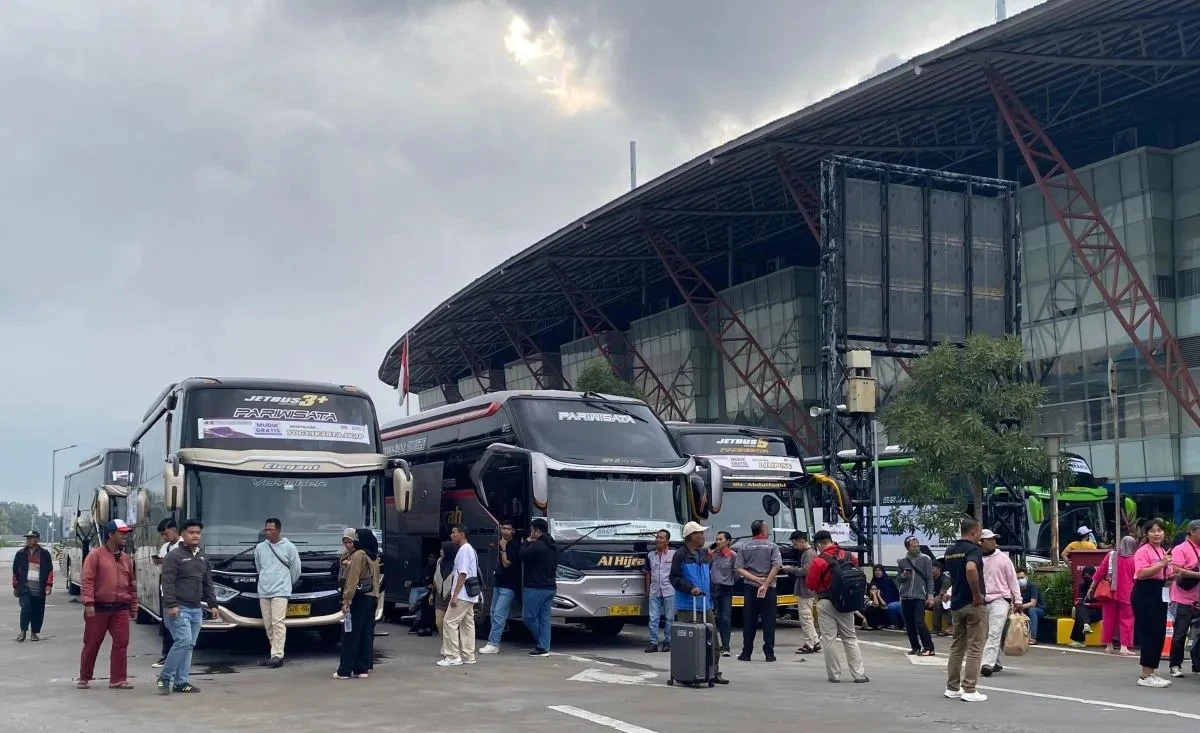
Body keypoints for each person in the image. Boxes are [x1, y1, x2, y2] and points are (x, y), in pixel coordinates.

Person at [158, 518, 219, 695]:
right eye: (191, 532)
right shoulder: (174, 556)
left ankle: (181, 682)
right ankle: (165, 677)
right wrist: (171, 605)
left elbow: (207, 582)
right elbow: (167, 582)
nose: (195, 535)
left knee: (189, 645)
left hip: (196, 609)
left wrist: (213, 604)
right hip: (179, 608)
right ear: (182, 534)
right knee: (183, 641)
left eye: (198, 533)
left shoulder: (202, 557)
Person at [78, 520, 136, 690]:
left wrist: (133, 606)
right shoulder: (95, 555)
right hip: (98, 608)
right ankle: (84, 677)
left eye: (126, 533)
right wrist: (88, 603)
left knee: (121, 643)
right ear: (111, 534)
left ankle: (118, 679)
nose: (125, 536)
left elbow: (131, 584)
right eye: (122, 533)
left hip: (120, 609)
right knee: (92, 643)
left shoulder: (126, 559)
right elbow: (87, 580)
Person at [669, 521, 728, 684]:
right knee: (690, 642)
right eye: (700, 534)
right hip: (688, 605)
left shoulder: (703, 554)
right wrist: (690, 588)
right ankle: (687, 672)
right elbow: (674, 578)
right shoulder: (680, 555)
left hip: (705, 603)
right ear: (691, 537)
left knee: (713, 640)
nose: (703, 537)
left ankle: (713, 671)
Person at [806, 529, 868, 684]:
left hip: (826, 601)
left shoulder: (819, 561)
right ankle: (859, 674)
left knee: (829, 639)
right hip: (847, 603)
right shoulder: (849, 556)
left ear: (819, 544)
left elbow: (811, 584)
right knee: (850, 637)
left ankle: (834, 675)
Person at [944, 518, 988, 703]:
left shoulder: (950, 551)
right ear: (974, 531)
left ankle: (952, 687)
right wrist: (977, 594)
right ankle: (970, 689)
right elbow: (971, 568)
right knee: (975, 647)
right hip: (972, 604)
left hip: (956, 604)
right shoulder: (973, 550)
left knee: (957, 647)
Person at [253, 517, 301, 668]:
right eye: (266, 529)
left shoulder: (289, 547)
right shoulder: (260, 548)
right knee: (268, 624)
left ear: (278, 530)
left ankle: (277, 655)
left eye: (271, 530)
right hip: (264, 590)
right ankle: (274, 652)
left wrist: (286, 583)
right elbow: (259, 567)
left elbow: (296, 569)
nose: (268, 532)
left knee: (278, 622)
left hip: (281, 590)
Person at [1131, 518, 1174, 688]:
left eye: (1159, 530)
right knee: (1149, 633)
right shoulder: (1143, 551)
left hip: (1159, 592)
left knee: (1158, 632)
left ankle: (1152, 672)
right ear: (1146, 534)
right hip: (1145, 592)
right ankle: (1145, 675)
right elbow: (1140, 573)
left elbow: (1167, 574)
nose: (1157, 534)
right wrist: (1161, 564)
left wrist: (1173, 574)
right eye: (1152, 531)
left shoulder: (1162, 550)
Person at [335, 528, 381, 679]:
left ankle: (345, 670)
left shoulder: (358, 555)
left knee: (350, 634)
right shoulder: (373, 556)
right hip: (372, 598)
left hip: (359, 598)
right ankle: (362, 668)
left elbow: (353, 579)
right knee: (366, 634)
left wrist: (347, 600)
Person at [734, 519, 782, 662]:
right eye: (766, 528)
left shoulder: (744, 546)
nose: (768, 531)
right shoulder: (772, 546)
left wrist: (755, 579)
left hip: (750, 587)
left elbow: (739, 568)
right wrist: (765, 583)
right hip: (769, 587)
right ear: (762, 531)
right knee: (769, 621)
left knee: (749, 620)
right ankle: (769, 653)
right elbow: (776, 566)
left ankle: (746, 652)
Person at [438, 524, 481, 667]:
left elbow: (462, 573)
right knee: (467, 624)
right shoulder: (471, 550)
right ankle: (468, 655)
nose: (451, 535)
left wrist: (455, 595)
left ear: (462, 534)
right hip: (470, 594)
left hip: (462, 594)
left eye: (454, 532)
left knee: (449, 622)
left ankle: (452, 656)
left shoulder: (463, 550)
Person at [979, 529, 1021, 676]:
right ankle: (995, 662)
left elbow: (1013, 580)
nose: (993, 542)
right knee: (985, 634)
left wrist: (1018, 599)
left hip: (1001, 600)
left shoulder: (1003, 558)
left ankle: (987, 664)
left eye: (994, 539)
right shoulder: (976, 559)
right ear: (981, 542)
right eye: (990, 539)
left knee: (994, 632)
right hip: (982, 600)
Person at [1086, 534, 1136, 655]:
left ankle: (1109, 645)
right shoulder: (1134, 559)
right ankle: (1124, 646)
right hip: (1127, 594)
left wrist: (1092, 588)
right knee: (1127, 620)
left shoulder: (1111, 555)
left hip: (1109, 593)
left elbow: (1100, 572)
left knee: (1108, 619)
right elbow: (1137, 577)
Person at [480, 520, 521, 654]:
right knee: (492, 612)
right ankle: (494, 639)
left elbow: (507, 563)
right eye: (504, 528)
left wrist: (503, 548)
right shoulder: (499, 542)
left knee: (499, 614)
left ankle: (493, 643)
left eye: (508, 529)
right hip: (498, 583)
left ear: (513, 531)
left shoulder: (514, 545)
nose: (505, 531)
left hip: (509, 585)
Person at [1167, 519, 1200, 677]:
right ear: (1192, 531)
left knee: (1197, 633)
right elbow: (1176, 569)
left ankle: (1197, 665)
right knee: (1180, 633)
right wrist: (1197, 574)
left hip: (1198, 598)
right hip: (1183, 598)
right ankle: (1175, 665)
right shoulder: (1181, 549)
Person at [521, 518, 558, 657]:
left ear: (537, 531)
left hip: (535, 586)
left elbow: (522, 555)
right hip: (550, 587)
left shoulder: (537, 545)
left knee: (529, 617)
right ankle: (545, 646)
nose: (531, 533)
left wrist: (526, 542)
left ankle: (542, 643)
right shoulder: (553, 545)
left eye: (532, 531)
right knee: (544, 618)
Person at [782, 530, 820, 655]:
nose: (794, 547)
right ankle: (815, 641)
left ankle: (809, 644)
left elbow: (806, 571)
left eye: (795, 544)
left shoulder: (808, 554)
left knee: (805, 617)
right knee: (807, 616)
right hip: (807, 589)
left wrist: (790, 569)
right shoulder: (811, 552)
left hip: (805, 590)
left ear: (801, 541)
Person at [12, 529, 53, 642]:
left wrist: (49, 585)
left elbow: (50, 571)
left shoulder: (44, 554)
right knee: (25, 608)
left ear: (37, 539)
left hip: (39, 588)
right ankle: (23, 631)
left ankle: (34, 633)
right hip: (25, 587)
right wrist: (15, 586)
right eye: (27, 538)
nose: (28, 540)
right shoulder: (21, 553)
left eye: (31, 538)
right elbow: (15, 571)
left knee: (38, 611)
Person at [897, 536, 936, 656]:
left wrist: (930, 596)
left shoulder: (926, 559)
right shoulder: (902, 561)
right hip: (905, 596)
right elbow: (898, 579)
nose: (916, 548)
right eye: (913, 546)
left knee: (919, 621)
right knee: (909, 623)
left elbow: (929, 579)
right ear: (907, 547)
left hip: (919, 595)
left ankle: (929, 647)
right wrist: (904, 575)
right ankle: (915, 647)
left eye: (917, 545)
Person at [152, 519, 182, 667]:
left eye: (166, 534)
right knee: (166, 626)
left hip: (180, 593)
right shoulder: (165, 547)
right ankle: (166, 655)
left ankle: (177, 657)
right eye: (162, 535)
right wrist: (159, 563)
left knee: (179, 627)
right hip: (166, 591)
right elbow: (160, 571)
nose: (164, 537)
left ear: (175, 530)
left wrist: (168, 564)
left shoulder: (184, 546)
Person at [644, 529, 676, 653]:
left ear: (667, 541)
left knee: (669, 618)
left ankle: (668, 641)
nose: (658, 539)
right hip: (654, 591)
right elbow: (647, 573)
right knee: (653, 618)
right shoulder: (650, 555)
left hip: (669, 590)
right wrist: (647, 589)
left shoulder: (673, 554)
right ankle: (653, 642)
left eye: (661, 537)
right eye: (657, 537)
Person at [709, 531, 737, 657]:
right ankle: (713, 645)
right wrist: (709, 554)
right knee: (713, 617)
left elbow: (737, 573)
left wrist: (729, 581)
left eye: (720, 539)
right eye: (716, 539)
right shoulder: (713, 555)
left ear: (728, 541)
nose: (718, 542)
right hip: (713, 588)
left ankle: (726, 646)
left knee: (725, 618)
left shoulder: (732, 556)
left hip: (726, 589)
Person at [1069, 566, 1099, 647]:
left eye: (1089, 576)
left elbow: (1102, 604)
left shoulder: (1098, 586)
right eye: (1085, 576)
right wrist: (1081, 602)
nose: (1087, 579)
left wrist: (1089, 604)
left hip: (1097, 611)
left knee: (1080, 614)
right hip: (1085, 609)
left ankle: (1079, 641)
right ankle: (1086, 625)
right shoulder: (1082, 586)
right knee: (1080, 607)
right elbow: (1078, 599)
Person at [863, 565, 901, 629]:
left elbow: (894, 594)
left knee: (889, 606)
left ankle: (893, 623)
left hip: (890, 601)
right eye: (876, 570)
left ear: (882, 571)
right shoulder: (873, 582)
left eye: (879, 570)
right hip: (877, 602)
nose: (878, 572)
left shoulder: (888, 581)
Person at [432, 541, 458, 633]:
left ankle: (447, 646)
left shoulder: (456, 564)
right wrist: (432, 594)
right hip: (439, 596)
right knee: (439, 622)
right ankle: (444, 642)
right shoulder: (439, 562)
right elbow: (436, 578)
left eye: (443, 549)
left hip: (451, 597)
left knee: (449, 625)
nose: (440, 551)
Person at [1015, 568, 1044, 644]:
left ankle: (1032, 638)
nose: (1020, 580)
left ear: (1026, 577)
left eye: (1022, 578)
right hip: (1023, 610)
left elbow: (1033, 603)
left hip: (1038, 610)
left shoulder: (1032, 586)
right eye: (1018, 578)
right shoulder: (1015, 588)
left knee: (1032, 610)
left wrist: (1019, 607)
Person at [930, 562, 952, 636]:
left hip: (944, 599)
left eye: (932, 568)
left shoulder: (945, 580)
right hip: (930, 599)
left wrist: (930, 600)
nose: (930, 570)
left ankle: (938, 627)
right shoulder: (930, 579)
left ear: (938, 569)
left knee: (938, 603)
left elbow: (941, 595)